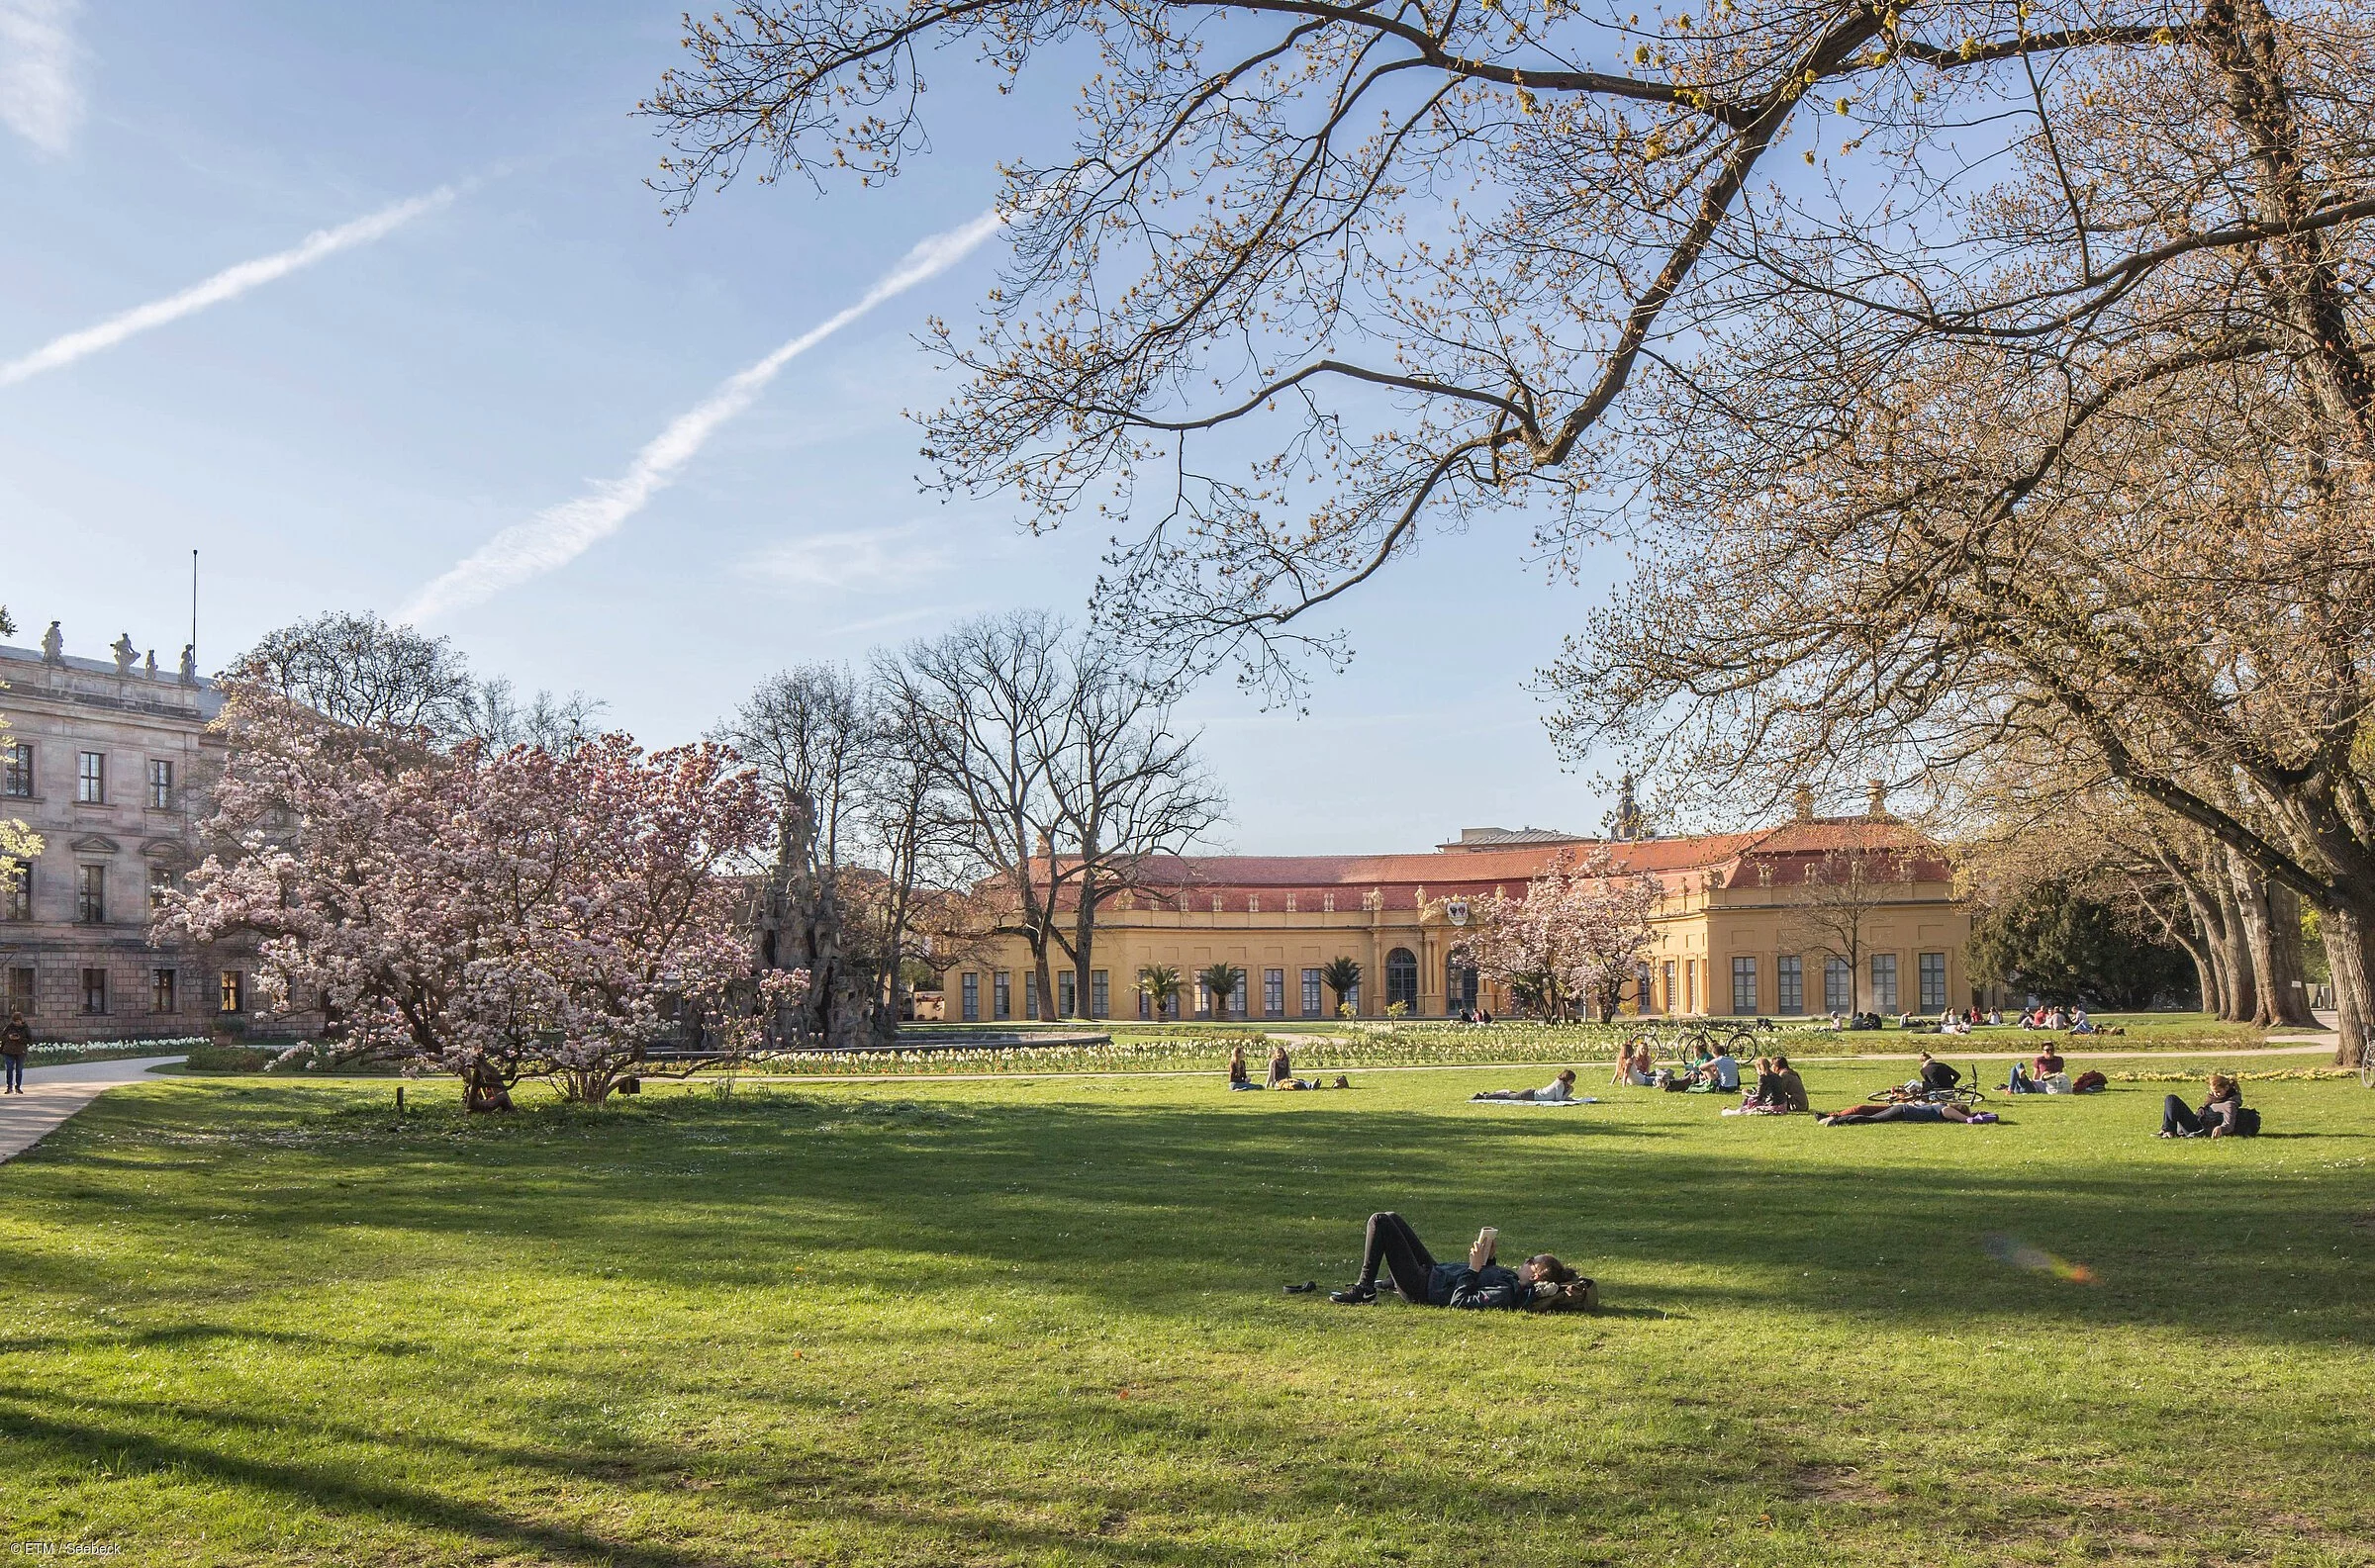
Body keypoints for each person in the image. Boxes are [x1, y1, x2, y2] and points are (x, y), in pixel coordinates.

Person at [1329, 1213, 1588, 1309]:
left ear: (1536, 1275)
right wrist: (1488, 1258)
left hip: (1424, 1288)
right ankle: (1388, 1282)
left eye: (1531, 1261)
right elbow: (1484, 1279)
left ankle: (1365, 1290)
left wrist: (1474, 1268)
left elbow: (1460, 1301)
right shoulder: (1510, 1278)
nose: (1525, 1260)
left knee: (1380, 1222)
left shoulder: (1509, 1291)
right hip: (1434, 1272)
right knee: (1392, 1217)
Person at [2161, 1074, 2244, 1138]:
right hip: (2198, 1120)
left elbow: (2229, 1124)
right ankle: (2167, 1130)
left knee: (2172, 1099)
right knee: (2170, 1099)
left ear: (2226, 1088)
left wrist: (2221, 1128)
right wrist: (2202, 1109)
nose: (2215, 1095)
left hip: (2199, 1128)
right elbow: (2211, 1109)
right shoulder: (2212, 1099)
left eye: (2218, 1092)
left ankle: (2169, 1131)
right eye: (2213, 1092)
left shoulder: (2229, 1104)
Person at [1822, 1101, 1984, 1125]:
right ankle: (1837, 1121)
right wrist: (1978, 1117)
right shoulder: (1947, 1111)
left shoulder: (1940, 1105)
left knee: (1869, 1116)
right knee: (1871, 1120)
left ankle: (1834, 1118)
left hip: (1903, 1108)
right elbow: (1966, 1121)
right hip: (1903, 1111)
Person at [1472, 1068, 1577, 1103]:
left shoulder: (1559, 1084)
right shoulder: (1559, 1084)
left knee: (1511, 1095)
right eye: (1571, 1081)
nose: (1571, 1084)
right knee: (1509, 1097)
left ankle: (1490, 1094)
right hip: (1531, 1095)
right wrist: (1569, 1092)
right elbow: (1559, 1100)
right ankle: (1484, 1096)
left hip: (1531, 1094)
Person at [1, 1010, 29, 1094]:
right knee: (9, 1069)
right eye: (15, 1021)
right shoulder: (9, 1027)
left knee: (19, 1070)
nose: (17, 1023)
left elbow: (30, 1040)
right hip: (8, 1051)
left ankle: (18, 1087)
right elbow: (2, 1037)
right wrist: (9, 1037)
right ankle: (9, 1087)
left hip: (20, 1052)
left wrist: (19, 1038)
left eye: (18, 1021)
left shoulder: (25, 1028)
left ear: (21, 1020)